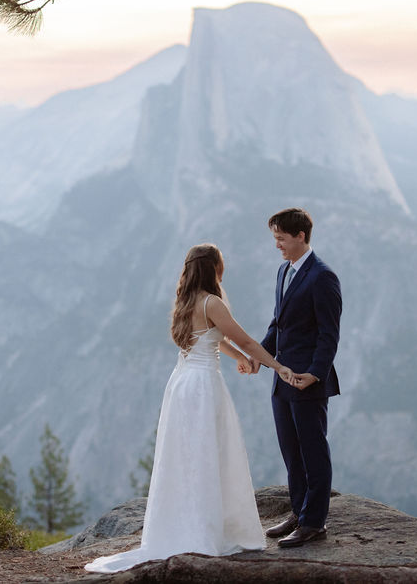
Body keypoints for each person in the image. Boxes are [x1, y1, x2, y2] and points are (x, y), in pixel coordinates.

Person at [85, 243, 297, 573]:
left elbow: (213, 341)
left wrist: (242, 360)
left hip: (181, 383)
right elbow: (246, 340)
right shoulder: (212, 302)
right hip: (202, 387)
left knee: (184, 456)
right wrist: (276, 366)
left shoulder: (186, 300)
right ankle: (204, 530)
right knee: (208, 454)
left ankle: (182, 525)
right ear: (216, 268)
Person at [256, 207, 342, 548]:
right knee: (291, 451)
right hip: (281, 379)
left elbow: (329, 335)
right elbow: (278, 325)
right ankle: (298, 511)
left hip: (307, 380)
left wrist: (315, 374)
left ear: (300, 236)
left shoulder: (323, 277)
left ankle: (314, 523)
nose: (277, 245)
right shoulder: (283, 271)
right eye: (275, 238)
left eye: (281, 238)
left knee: (312, 451)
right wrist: (258, 358)